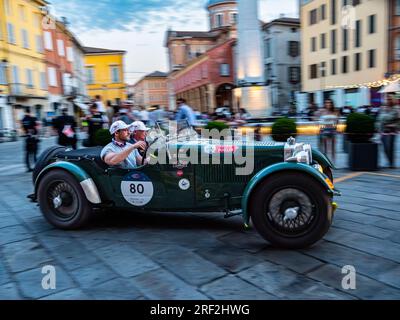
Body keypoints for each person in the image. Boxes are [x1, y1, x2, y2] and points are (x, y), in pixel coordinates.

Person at [376, 96, 400, 168]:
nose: (388, 100)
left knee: (390, 147)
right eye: (387, 99)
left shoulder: (396, 109)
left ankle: (391, 163)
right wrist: (378, 127)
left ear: (393, 100)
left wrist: (394, 125)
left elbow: (393, 119)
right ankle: (389, 161)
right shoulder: (383, 108)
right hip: (383, 130)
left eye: (390, 99)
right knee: (385, 148)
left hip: (391, 131)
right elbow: (379, 119)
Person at [318, 99, 339, 163]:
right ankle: (326, 162)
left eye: (329, 103)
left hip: (333, 130)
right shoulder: (322, 111)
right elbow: (320, 121)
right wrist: (321, 129)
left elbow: (337, 121)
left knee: (333, 147)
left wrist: (335, 127)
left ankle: (333, 162)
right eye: (326, 103)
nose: (328, 104)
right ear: (325, 104)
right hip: (325, 130)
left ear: (332, 103)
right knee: (325, 148)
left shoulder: (335, 111)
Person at [21, 107, 40, 172]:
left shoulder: (23, 119)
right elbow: (36, 127)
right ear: (30, 111)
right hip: (33, 138)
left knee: (28, 153)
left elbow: (23, 129)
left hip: (27, 138)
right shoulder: (33, 119)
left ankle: (28, 167)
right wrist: (37, 135)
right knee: (34, 153)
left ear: (25, 111)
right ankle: (37, 166)